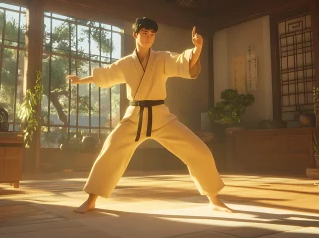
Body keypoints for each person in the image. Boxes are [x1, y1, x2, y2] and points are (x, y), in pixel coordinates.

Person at [67, 17, 232, 214]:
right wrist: (80, 80)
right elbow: (105, 75)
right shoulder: (126, 63)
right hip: (134, 116)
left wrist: (197, 48)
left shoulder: (161, 58)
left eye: (152, 34)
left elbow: (183, 62)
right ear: (135, 34)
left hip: (161, 116)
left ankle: (213, 198)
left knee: (199, 150)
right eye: (145, 33)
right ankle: (92, 199)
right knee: (109, 151)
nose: (149, 37)